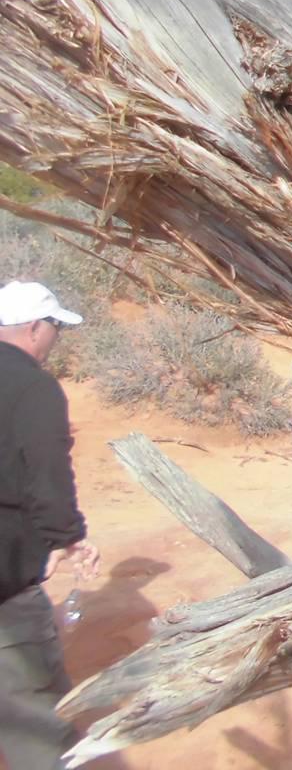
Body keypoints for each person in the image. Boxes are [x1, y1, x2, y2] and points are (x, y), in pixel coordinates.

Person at [0, 281, 99, 770]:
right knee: (35, 713)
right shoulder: (33, 387)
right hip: (5, 576)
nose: (56, 337)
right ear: (36, 328)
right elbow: (46, 469)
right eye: (56, 327)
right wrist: (67, 535)